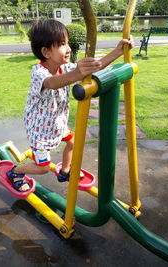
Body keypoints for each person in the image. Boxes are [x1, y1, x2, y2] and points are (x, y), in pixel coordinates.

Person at [7, 19, 134, 192]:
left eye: (66, 43)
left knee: (73, 143)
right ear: (46, 52)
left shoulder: (65, 68)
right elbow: (53, 83)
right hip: (40, 132)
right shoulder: (39, 72)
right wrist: (77, 73)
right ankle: (15, 172)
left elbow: (94, 67)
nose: (68, 49)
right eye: (61, 44)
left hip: (57, 125)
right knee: (43, 167)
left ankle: (65, 171)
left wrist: (118, 51)